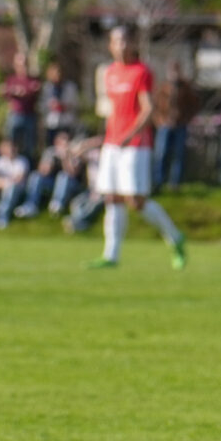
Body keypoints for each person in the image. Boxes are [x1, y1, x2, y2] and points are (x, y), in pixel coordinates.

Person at [88, 26, 188, 270]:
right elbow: (111, 111)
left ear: (132, 43)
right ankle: (111, 255)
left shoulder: (141, 71)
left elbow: (148, 109)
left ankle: (175, 237)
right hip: (112, 142)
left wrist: (130, 133)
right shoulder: (109, 72)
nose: (121, 45)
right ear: (110, 45)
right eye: (116, 41)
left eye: (125, 40)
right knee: (111, 197)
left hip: (135, 144)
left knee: (136, 201)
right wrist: (103, 138)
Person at [152, 66, 199, 191]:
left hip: (180, 125)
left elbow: (193, 105)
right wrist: (160, 121)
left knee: (179, 154)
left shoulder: (185, 88)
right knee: (161, 153)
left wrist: (185, 120)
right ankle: (158, 181)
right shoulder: (163, 87)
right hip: (165, 125)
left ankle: (175, 183)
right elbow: (155, 106)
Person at [1, 52, 43, 161]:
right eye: (20, 64)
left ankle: (28, 166)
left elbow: (36, 90)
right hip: (15, 115)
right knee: (11, 143)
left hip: (29, 115)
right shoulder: (11, 80)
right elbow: (5, 93)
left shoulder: (33, 79)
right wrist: (15, 91)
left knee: (29, 146)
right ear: (15, 65)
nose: (22, 67)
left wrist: (25, 92)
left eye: (24, 64)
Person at [0, 137, 31, 229]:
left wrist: (5, 184)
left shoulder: (22, 161)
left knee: (11, 188)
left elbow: (19, 179)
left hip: (18, 190)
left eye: (12, 147)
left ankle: (2, 214)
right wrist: (5, 184)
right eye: (8, 147)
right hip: (0, 189)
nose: (11, 150)